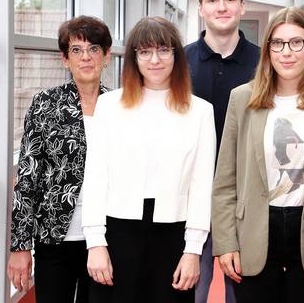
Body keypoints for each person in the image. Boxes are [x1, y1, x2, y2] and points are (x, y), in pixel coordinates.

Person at [211, 7, 304, 303]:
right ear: (268, 49)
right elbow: (225, 180)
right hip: (256, 232)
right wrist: (226, 242)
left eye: (296, 42)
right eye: (277, 43)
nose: (286, 52)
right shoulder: (243, 98)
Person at [81, 17, 216, 303]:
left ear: (176, 56)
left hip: (172, 237)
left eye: (164, 50)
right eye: (145, 52)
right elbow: (95, 178)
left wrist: (192, 251)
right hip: (116, 234)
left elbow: (201, 187)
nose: (155, 60)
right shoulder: (109, 106)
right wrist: (95, 244)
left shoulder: (200, 112)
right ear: (134, 58)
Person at [8, 15, 112, 303]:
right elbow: (27, 178)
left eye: (93, 49)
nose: (86, 57)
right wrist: (20, 247)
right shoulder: (45, 104)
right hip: (54, 237)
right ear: (64, 59)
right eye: (76, 50)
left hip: (106, 238)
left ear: (106, 56)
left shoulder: (119, 107)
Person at [184, 0, 260, 303]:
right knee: (190, 292)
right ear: (201, 7)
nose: (222, 6)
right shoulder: (178, 62)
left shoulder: (265, 64)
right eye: (212, 0)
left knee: (242, 293)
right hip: (189, 199)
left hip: (245, 199)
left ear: (242, 7)